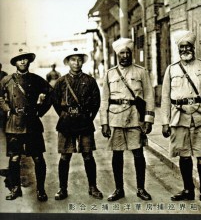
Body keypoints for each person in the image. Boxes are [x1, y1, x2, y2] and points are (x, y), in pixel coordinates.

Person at [161, 30, 201, 206]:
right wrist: (165, 122)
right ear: (178, 49)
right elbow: (165, 97)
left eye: (188, 46)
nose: (185, 49)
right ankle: (188, 190)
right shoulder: (171, 69)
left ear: (193, 47)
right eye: (182, 46)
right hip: (179, 118)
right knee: (184, 156)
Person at [100, 38, 155, 201]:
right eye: (122, 53)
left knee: (138, 153)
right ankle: (119, 189)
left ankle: (141, 188)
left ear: (132, 54)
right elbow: (104, 99)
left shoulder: (140, 72)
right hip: (115, 118)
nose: (125, 56)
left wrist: (149, 119)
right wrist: (104, 122)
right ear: (117, 55)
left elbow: (149, 96)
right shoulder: (110, 73)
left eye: (127, 53)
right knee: (117, 155)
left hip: (135, 118)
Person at [0, 48, 53, 201]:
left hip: (32, 124)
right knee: (14, 158)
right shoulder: (6, 80)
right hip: (14, 124)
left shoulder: (36, 79)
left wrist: (40, 111)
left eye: (25, 59)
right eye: (19, 59)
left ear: (29, 61)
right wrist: (7, 110)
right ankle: (16, 188)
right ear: (14, 62)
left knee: (38, 158)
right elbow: (0, 98)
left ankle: (41, 190)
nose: (22, 61)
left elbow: (51, 94)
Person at [52, 47, 103, 200]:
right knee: (65, 156)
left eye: (79, 59)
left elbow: (96, 103)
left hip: (84, 121)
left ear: (82, 62)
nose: (76, 62)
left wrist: (88, 117)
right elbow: (55, 102)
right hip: (66, 123)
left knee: (88, 155)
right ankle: (62, 189)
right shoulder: (61, 82)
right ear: (68, 62)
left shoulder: (89, 81)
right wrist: (64, 114)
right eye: (73, 59)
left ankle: (92, 187)